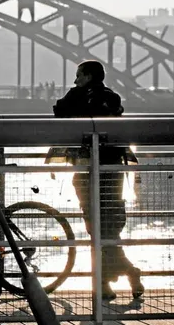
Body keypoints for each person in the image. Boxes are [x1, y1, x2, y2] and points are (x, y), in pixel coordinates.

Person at [53, 60, 143, 301]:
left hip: (86, 169)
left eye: (79, 76)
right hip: (112, 171)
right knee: (109, 227)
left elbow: (58, 111)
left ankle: (109, 281)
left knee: (95, 227)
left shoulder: (78, 96)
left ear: (89, 77)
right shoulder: (112, 98)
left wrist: (74, 98)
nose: (75, 81)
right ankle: (115, 278)